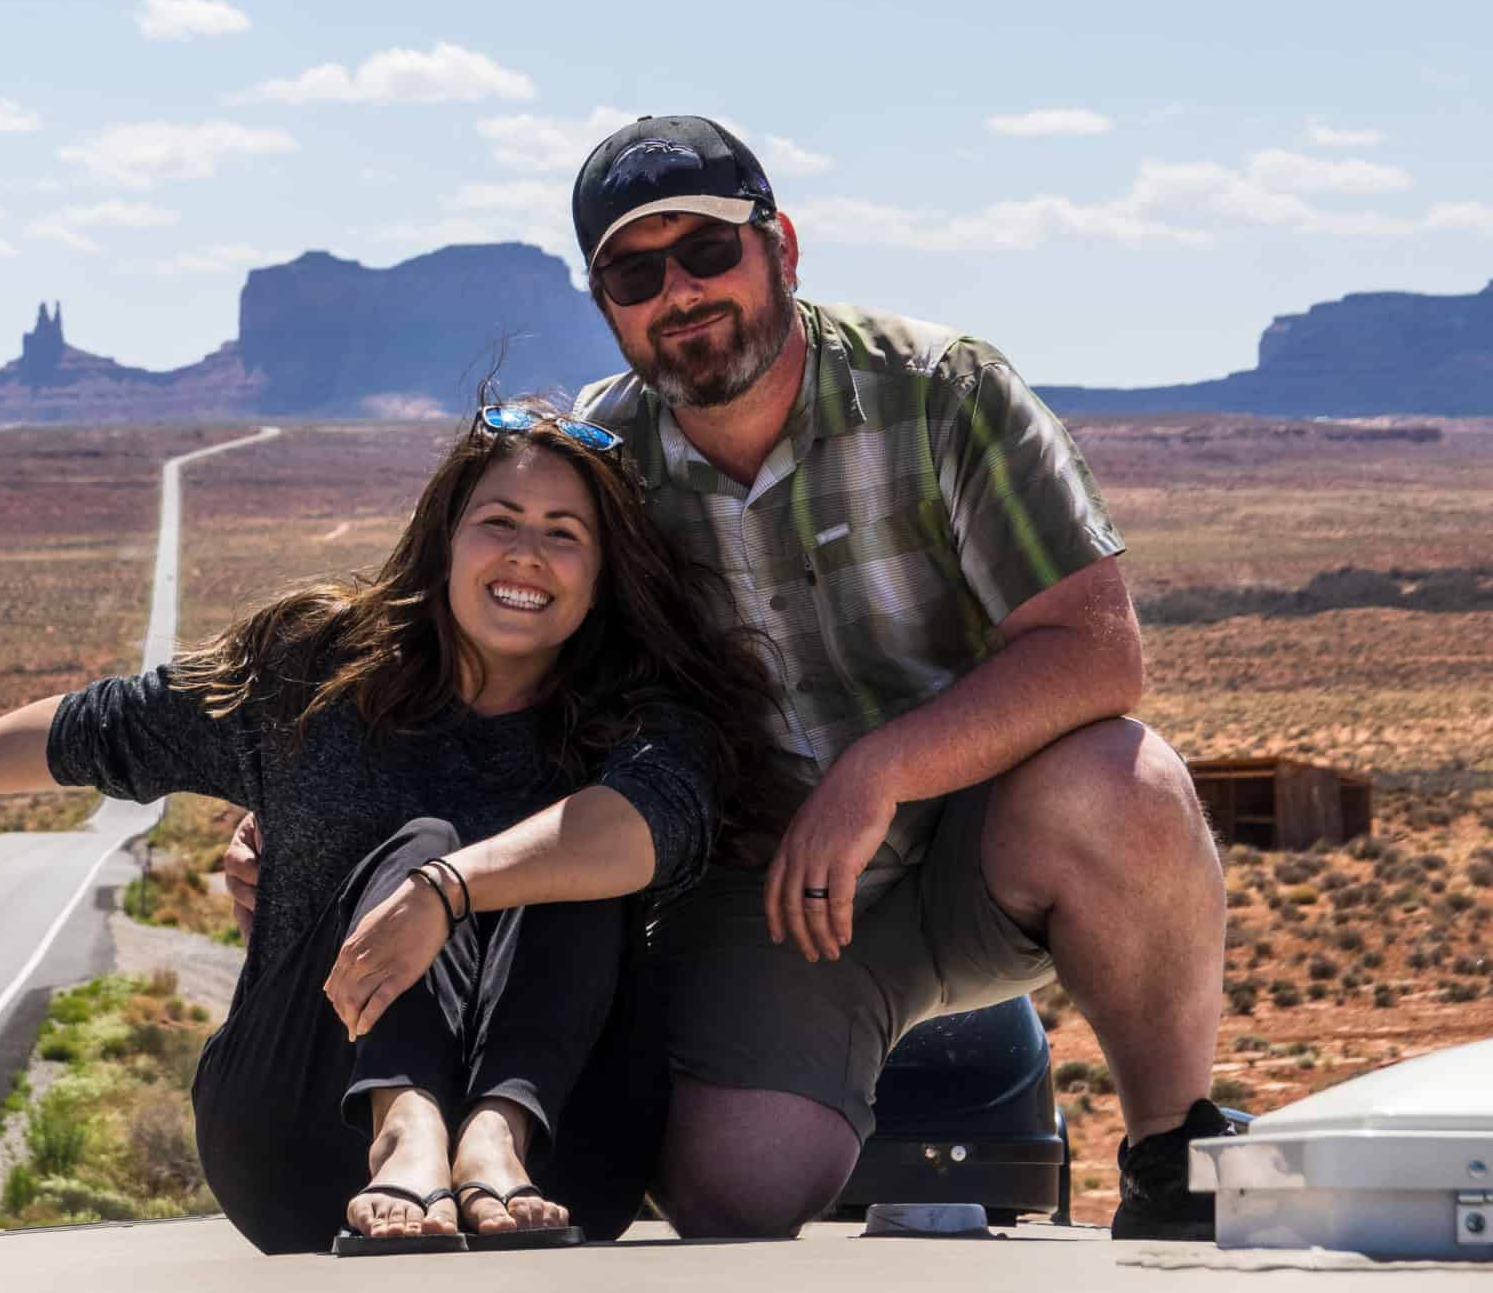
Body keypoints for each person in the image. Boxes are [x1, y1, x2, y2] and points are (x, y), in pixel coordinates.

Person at [227, 115, 1235, 1241]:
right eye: (636, 271)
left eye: (708, 252)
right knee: (735, 1197)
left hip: (975, 855)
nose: (681, 292)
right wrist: (303, 814)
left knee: (1122, 777)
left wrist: (881, 771)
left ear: (781, 248)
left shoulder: (944, 394)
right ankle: (819, 1104)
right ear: (605, 302)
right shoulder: (600, 468)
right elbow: (468, 653)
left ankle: (1168, 1150)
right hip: (770, 902)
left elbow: (1095, 649)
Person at [0, 401, 780, 1255]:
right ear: (444, 537)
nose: (527, 554)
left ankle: (492, 1134)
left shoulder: (647, 719)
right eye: (498, 520)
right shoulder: (314, 672)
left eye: (565, 534)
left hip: (559, 1165)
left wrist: (450, 890)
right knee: (418, 844)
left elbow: (640, 828)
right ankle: (405, 1126)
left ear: (600, 577)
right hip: (299, 1143)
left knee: (548, 857)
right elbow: (104, 730)